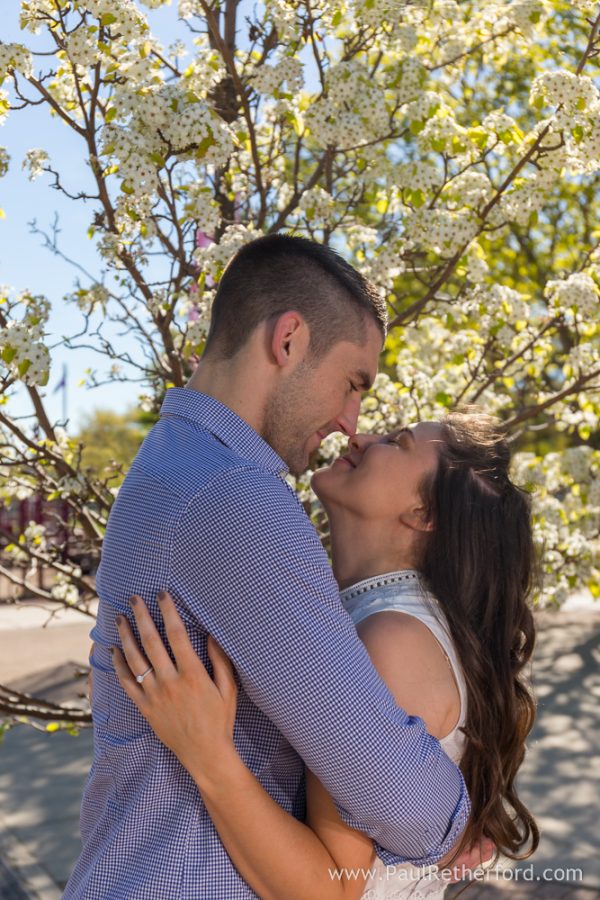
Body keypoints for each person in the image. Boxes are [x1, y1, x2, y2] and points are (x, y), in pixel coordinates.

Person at [65, 235, 471, 899]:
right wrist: (466, 820)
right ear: (288, 340)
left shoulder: (175, 462)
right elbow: (409, 806)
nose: (351, 421)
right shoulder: (231, 498)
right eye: (352, 383)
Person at [113, 409, 539, 899]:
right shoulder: (382, 618)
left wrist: (207, 753)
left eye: (396, 443)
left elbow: (329, 890)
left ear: (423, 514)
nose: (360, 437)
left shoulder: (393, 638)